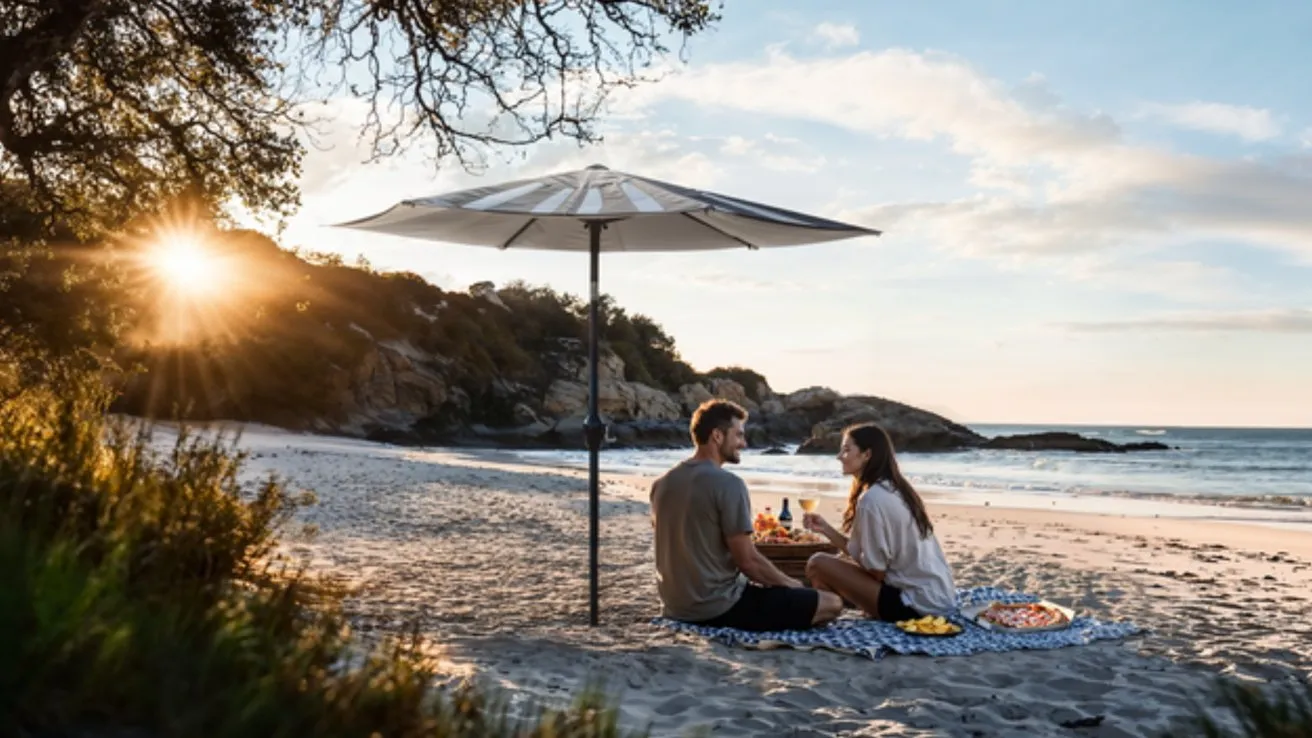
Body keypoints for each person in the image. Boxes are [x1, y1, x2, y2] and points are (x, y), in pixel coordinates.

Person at [650, 399, 843, 631]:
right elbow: (749, 563)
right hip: (717, 607)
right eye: (739, 435)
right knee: (832, 603)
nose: (744, 443)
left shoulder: (661, 484)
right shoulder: (729, 484)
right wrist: (792, 585)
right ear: (717, 436)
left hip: (674, 607)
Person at [803, 422, 956, 621]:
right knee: (835, 565)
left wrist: (845, 576)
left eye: (847, 450)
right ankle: (835, 605)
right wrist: (826, 529)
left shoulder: (872, 500)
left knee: (817, 564)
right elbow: (869, 559)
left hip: (915, 606)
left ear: (867, 455)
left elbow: (876, 573)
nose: (839, 456)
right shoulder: (896, 489)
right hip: (941, 598)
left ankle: (827, 611)